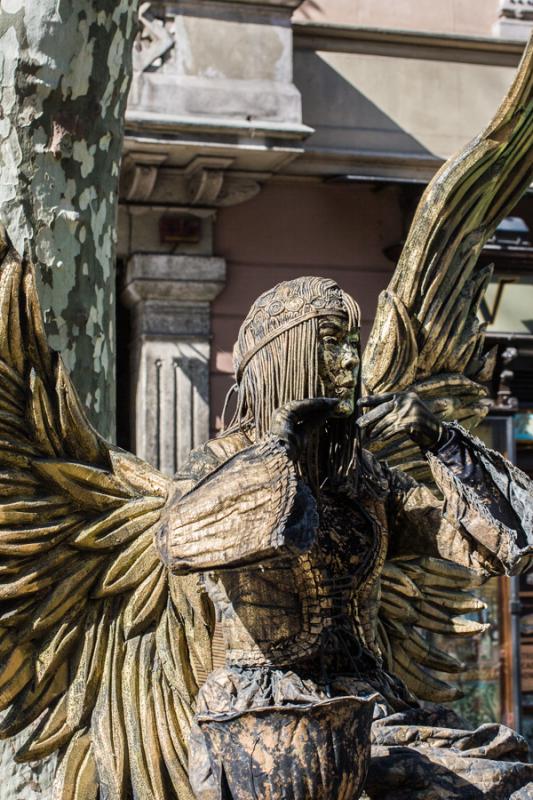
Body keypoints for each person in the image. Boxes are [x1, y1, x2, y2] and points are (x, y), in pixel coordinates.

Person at [157, 276, 533, 800]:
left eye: (352, 347)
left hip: (375, 706)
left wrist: (440, 440)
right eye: (331, 343)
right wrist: (279, 449)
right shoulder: (218, 465)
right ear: (285, 355)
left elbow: (494, 543)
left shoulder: (363, 477)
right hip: (272, 719)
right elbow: (179, 541)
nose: (349, 363)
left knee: (508, 776)